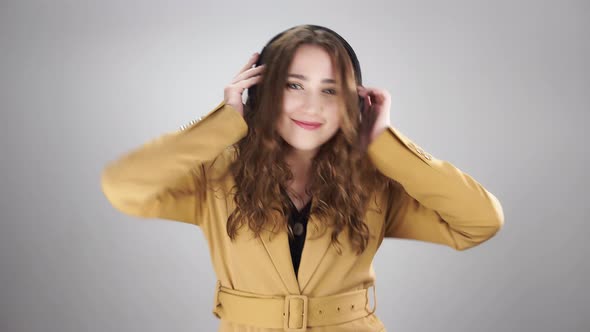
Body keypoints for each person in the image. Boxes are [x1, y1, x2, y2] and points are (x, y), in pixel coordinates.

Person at [100, 24, 504, 332]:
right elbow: (124, 185)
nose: (312, 106)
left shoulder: (375, 181)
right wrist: (223, 123)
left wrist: (383, 142)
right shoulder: (216, 174)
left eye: (330, 90)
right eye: (294, 85)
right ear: (261, 91)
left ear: (352, 102)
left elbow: (480, 221)